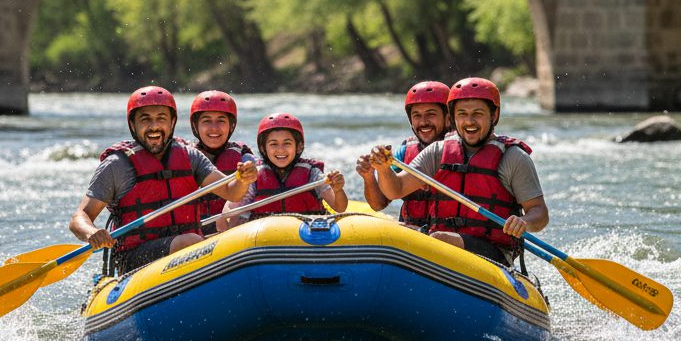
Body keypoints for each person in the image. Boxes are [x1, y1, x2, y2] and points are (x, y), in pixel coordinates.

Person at [69, 86, 257, 275]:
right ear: (133, 125)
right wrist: (91, 232)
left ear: (172, 122)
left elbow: (232, 193)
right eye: (145, 119)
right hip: (136, 257)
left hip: (191, 250)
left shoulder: (190, 157)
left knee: (192, 242)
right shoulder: (117, 165)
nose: (154, 126)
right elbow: (79, 218)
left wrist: (243, 180)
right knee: (189, 241)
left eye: (161, 118)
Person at [368, 76, 548, 270]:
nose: (469, 121)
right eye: (462, 114)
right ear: (453, 118)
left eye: (477, 113)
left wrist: (524, 222)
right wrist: (383, 169)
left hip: (493, 251)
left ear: (493, 116)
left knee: (439, 238)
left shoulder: (513, 157)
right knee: (403, 232)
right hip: (440, 245)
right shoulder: (438, 151)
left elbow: (539, 213)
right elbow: (396, 190)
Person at [218, 113, 347, 230]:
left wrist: (338, 190)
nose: (280, 150)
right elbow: (233, 213)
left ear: (299, 146)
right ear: (263, 148)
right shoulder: (255, 175)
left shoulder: (312, 173)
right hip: (266, 235)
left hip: (310, 232)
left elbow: (340, 207)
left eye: (287, 143)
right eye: (274, 144)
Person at [356, 80, 450, 224]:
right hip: (413, 234)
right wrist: (370, 177)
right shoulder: (405, 151)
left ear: (448, 119)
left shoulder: (463, 151)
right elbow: (378, 205)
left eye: (431, 114)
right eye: (417, 116)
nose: (423, 122)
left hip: (450, 236)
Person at [188, 90, 254, 224]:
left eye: (221, 121)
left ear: (232, 126)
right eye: (206, 121)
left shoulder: (244, 157)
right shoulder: (185, 156)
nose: (214, 128)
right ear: (196, 126)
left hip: (230, 228)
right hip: (194, 230)